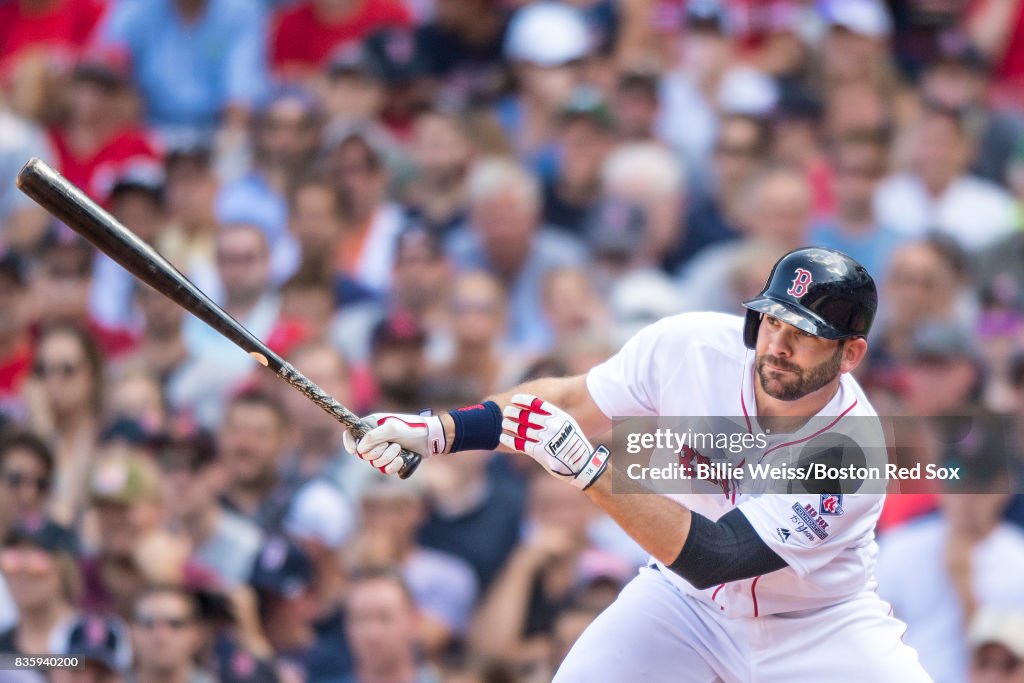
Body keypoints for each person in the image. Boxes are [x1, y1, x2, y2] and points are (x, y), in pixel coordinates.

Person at [346, 247, 933, 681]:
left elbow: (717, 556)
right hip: (684, 607)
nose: (777, 344)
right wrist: (439, 430)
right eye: (772, 320)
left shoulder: (851, 450)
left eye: (803, 333)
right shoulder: (692, 346)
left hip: (818, 626)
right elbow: (572, 400)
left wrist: (591, 471)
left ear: (850, 353)